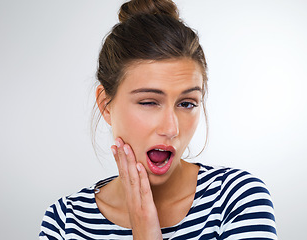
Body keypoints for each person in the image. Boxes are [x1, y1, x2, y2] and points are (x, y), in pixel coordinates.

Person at [39, 0, 277, 239]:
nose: (171, 128)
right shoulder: (65, 222)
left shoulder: (236, 199)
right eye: (149, 102)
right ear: (106, 105)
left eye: (186, 104)